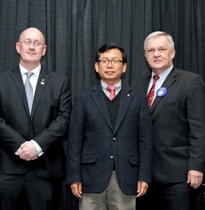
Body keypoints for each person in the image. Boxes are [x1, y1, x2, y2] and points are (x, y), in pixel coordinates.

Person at [0, 27, 72, 210]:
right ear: (18, 47)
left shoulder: (60, 82)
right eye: (27, 42)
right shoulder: (0, 80)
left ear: (44, 49)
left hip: (45, 171)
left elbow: (64, 118)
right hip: (6, 170)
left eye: (37, 43)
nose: (32, 47)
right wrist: (21, 146)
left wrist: (37, 146)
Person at [66, 43, 153, 210]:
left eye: (115, 60)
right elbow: (74, 141)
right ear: (96, 67)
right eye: (104, 61)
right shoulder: (83, 98)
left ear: (124, 66)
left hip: (127, 177)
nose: (110, 65)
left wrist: (144, 176)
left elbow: (146, 141)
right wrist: (74, 177)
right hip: (91, 177)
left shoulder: (138, 98)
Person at [133, 31, 205, 210]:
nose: (156, 54)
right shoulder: (137, 85)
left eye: (162, 49)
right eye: (151, 50)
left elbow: (199, 129)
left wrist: (196, 167)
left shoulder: (190, 82)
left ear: (172, 53)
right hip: (145, 179)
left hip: (179, 178)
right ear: (145, 55)